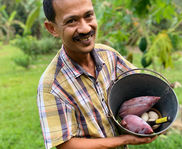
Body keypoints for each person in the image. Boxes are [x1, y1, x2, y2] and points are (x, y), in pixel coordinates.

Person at [37, 0, 157, 148]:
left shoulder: (109, 56)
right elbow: (66, 145)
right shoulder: (52, 86)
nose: (85, 28)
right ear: (52, 28)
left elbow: (140, 83)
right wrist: (125, 140)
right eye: (71, 21)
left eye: (88, 16)